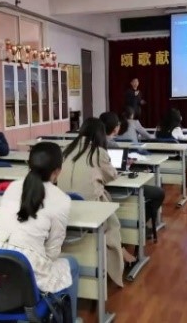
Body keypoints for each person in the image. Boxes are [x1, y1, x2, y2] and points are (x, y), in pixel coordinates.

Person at [0, 142, 81, 322]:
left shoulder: (12, 187)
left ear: (29, 164)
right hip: (25, 269)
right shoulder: (61, 199)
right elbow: (52, 252)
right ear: (57, 171)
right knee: (72, 263)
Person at [57, 118, 133, 288]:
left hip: (64, 206)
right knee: (112, 224)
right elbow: (111, 176)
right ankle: (116, 261)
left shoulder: (66, 150)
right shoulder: (98, 152)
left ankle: (118, 254)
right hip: (90, 206)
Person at [99, 112, 166, 232]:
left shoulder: (94, 143)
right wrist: (127, 165)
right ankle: (140, 225)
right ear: (115, 128)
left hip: (102, 186)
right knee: (158, 193)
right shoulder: (112, 144)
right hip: (115, 185)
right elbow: (115, 170)